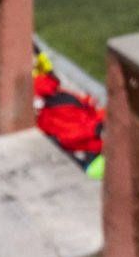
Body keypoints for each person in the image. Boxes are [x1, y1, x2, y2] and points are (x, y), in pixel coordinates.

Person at [32, 45, 105, 179]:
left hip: (92, 147)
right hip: (91, 157)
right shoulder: (49, 102)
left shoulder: (51, 93)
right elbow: (70, 134)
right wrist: (99, 125)